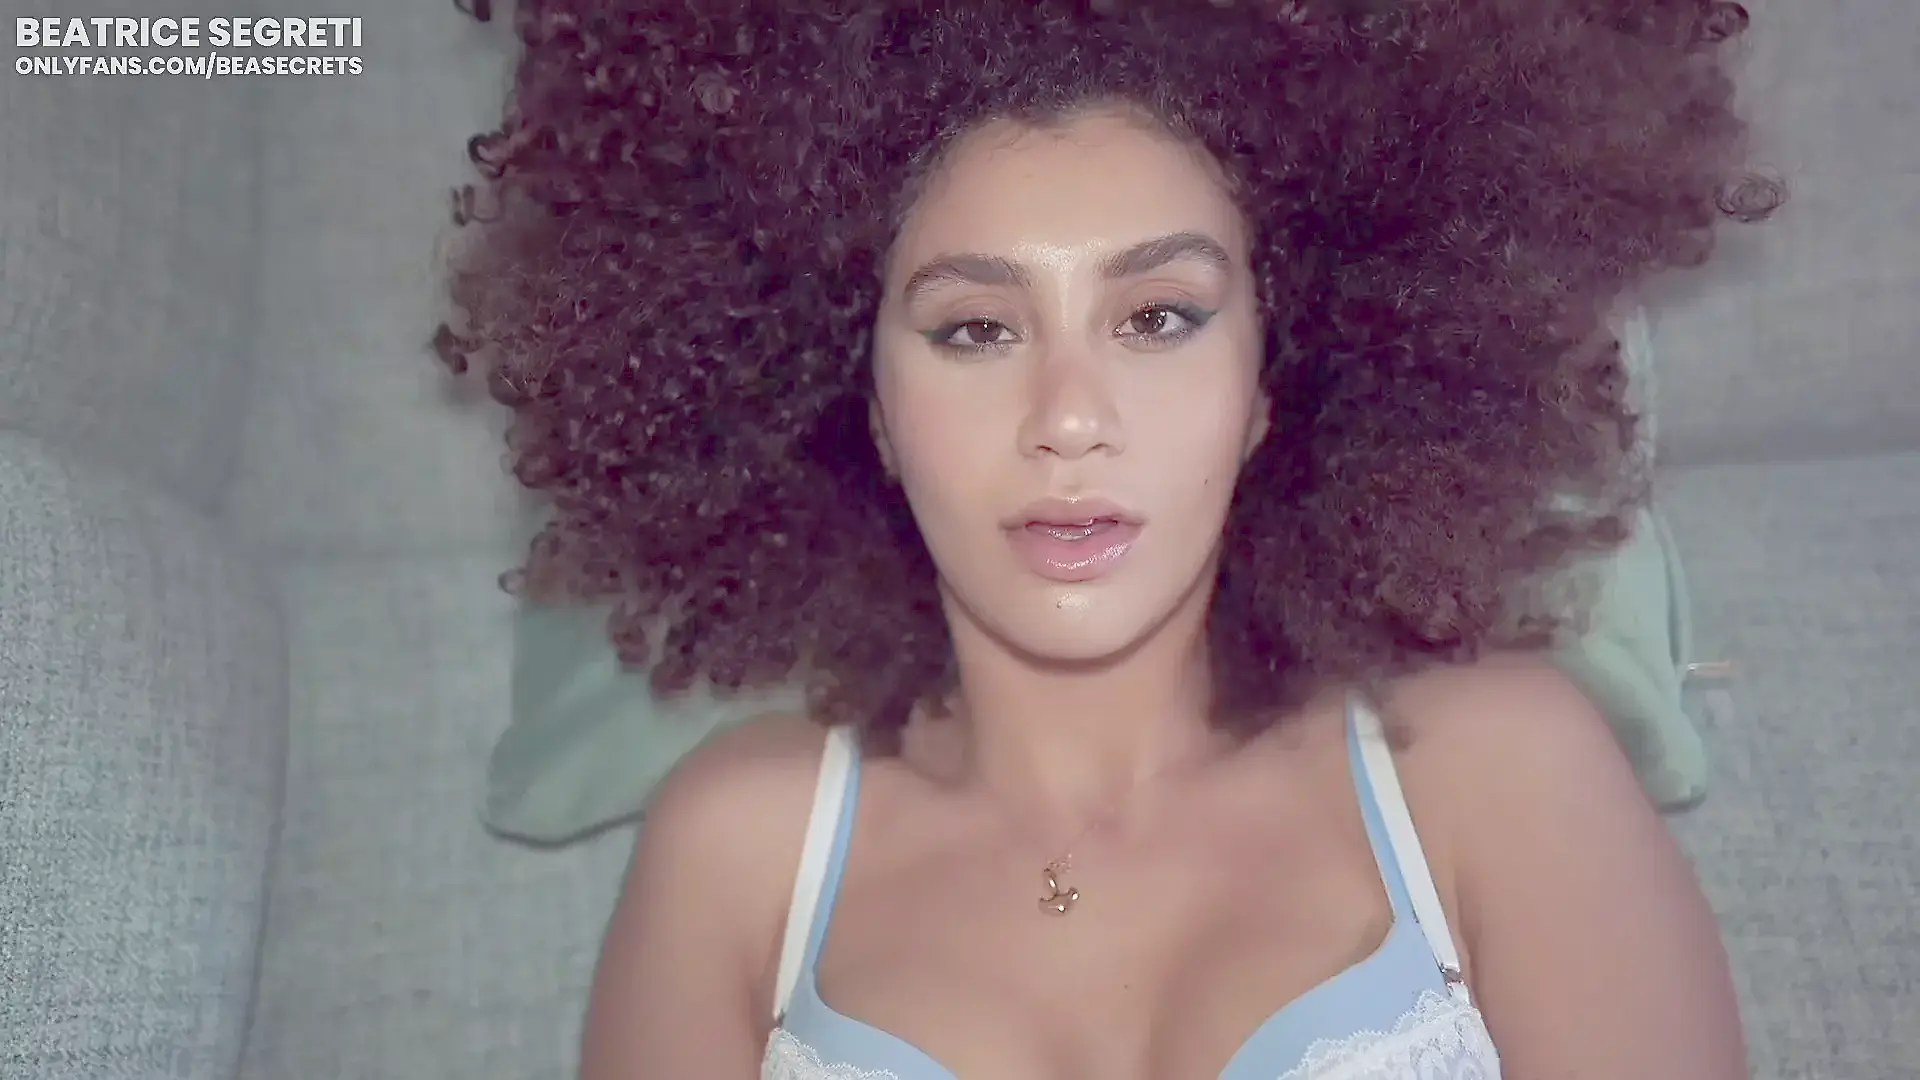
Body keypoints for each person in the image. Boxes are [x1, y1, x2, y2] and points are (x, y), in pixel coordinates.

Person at [436, 0, 1779, 1076]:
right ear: (868, 409)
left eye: (1158, 318)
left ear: (1270, 384)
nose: (1069, 418)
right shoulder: (739, 852)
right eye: (976, 329)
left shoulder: (1495, 768)